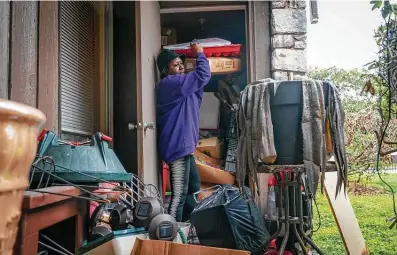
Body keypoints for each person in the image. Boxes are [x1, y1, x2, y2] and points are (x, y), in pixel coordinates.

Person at [156, 43, 211, 222]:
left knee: (193, 187)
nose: (180, 66)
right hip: (176, 147)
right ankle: (172, 235)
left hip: (185, 146)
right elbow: (203, 75)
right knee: (178, 196)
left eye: (181, 63)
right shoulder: (169, 84)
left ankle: (186, 226)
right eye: (175, 64)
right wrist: (200, 55)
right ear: (166, 70)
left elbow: (199, 85)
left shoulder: (181, 87)